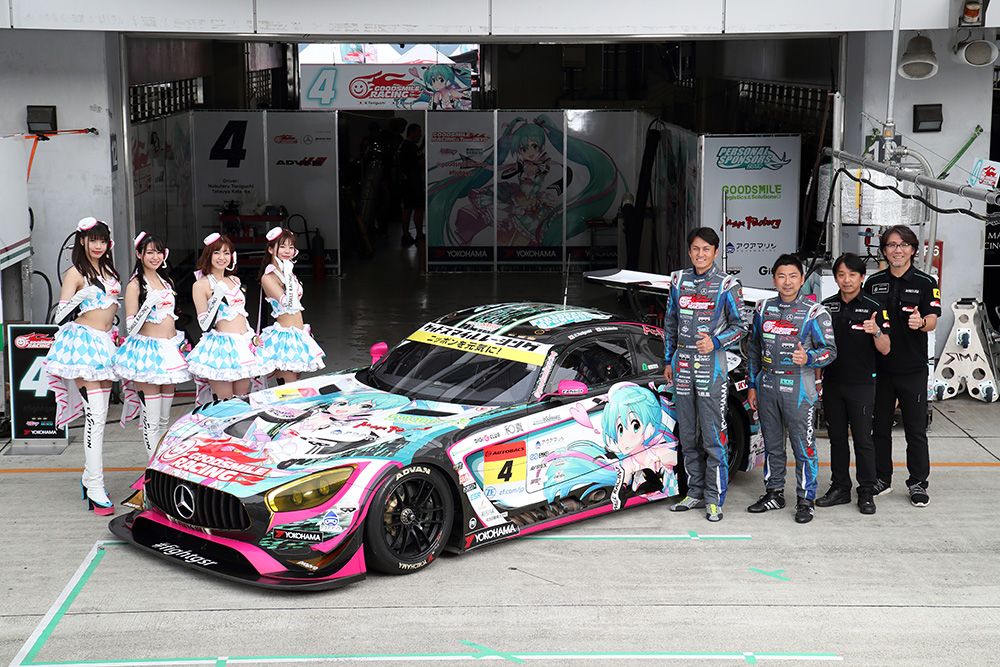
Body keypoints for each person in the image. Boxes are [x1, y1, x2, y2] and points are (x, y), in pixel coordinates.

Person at [663, 227, 747, 522]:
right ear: (689, 251)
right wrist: (668, 360)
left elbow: (740, 326)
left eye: (706, 249)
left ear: (715, 252)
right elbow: (670, 323)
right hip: (682, 364)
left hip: (712, 366)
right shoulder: (678, 280)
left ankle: (714, 498)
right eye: (696, 249)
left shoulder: (727, 284)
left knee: (713, 436)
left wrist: (716, 342)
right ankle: (695, 491)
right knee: (687, 435)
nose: (700, 254)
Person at [746, 254, 836, 523]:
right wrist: (752, 386)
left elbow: (830, 351)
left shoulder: (815, 312)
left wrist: (808, 358)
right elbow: (754, 349)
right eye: (781, 276)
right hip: (767, 384)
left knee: (803, 446)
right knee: (772, 445)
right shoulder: (763, 308)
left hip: (799, 386)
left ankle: (806, 499)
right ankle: (774, 493)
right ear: (774, 279)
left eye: (793, 276)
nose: (787, 282)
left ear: (802, 279)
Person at [43, 217, 121, 515]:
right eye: (92, 240)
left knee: (100, 415)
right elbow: (60, 316)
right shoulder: (75, 272)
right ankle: (96, 485)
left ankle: (89, 478)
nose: (98, 245)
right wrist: (80, 296)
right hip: (83, 345)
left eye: (102, 240)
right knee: (96, 415)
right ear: (82, 242)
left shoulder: (110, 272)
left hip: (105, 344)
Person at [863, 225, 941, 507]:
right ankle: (881, 479)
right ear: (884, 251)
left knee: (915, 430)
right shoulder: (873, 282)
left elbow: (933, 318)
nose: (898, 250)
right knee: (880, 427)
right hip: (880, 369)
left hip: (913, 369)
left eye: (904, 245)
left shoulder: (926, 281)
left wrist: (921, 322)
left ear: (913, 250)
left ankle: (918, 483)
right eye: (892, 245)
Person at [816, 253, 890, 515]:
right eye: (841, 275)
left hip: (862, 384)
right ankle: (840, 488)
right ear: (836, 278)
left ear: (862, 277)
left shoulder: (874, 307)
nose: (846, 280)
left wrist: (876, 331)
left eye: (852, 275)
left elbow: (886, 348)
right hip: (832, 383)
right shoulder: (826, 307)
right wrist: (817, 380)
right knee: (837, 438)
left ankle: (867, 491)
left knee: (863, 439)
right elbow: (818, 347)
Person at [112, 232, 190, 459]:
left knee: (165, 419)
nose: (155, 257)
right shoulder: (135, 285)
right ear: (139, 255)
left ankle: (163, 466)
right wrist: (147, 306)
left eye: (158, 252)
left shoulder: (167, 282)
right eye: (149, 252)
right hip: (147, 354)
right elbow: (130, 326)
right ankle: (152, 468)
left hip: (169, 351)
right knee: (151, 420)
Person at [186, 233, 260, 401]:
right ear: (208, 255)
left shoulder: (235, 280)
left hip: (243, 344)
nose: (222, 257)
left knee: (242, 399)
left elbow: (241, 313)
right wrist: (216, 297)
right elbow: (203, 324)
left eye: (226, 253)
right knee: (224, 402)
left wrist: (252, 337)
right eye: (217, 253)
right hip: (221, 348)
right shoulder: (200, 285)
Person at [257, 227, 325, 385]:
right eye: (282, 246)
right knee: (288, 390)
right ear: (270, 249)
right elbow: (288, 302)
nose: (287, 251)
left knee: (296, 385)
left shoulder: (289, 272)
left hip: (299, 335)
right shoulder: (268, 277)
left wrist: (288, 273)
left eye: (291, 247)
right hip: (284, 338)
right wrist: (287, 274)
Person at [399, 123, 425, 246]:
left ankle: (405, 234)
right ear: (412, 132)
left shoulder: (402, 145)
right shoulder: (413, 147)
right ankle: (419, 234)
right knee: (419, 208)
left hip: (405, 182)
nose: (420, 135)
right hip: (415, 182)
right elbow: (422, 163)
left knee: (407, 208)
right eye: (419, 132)